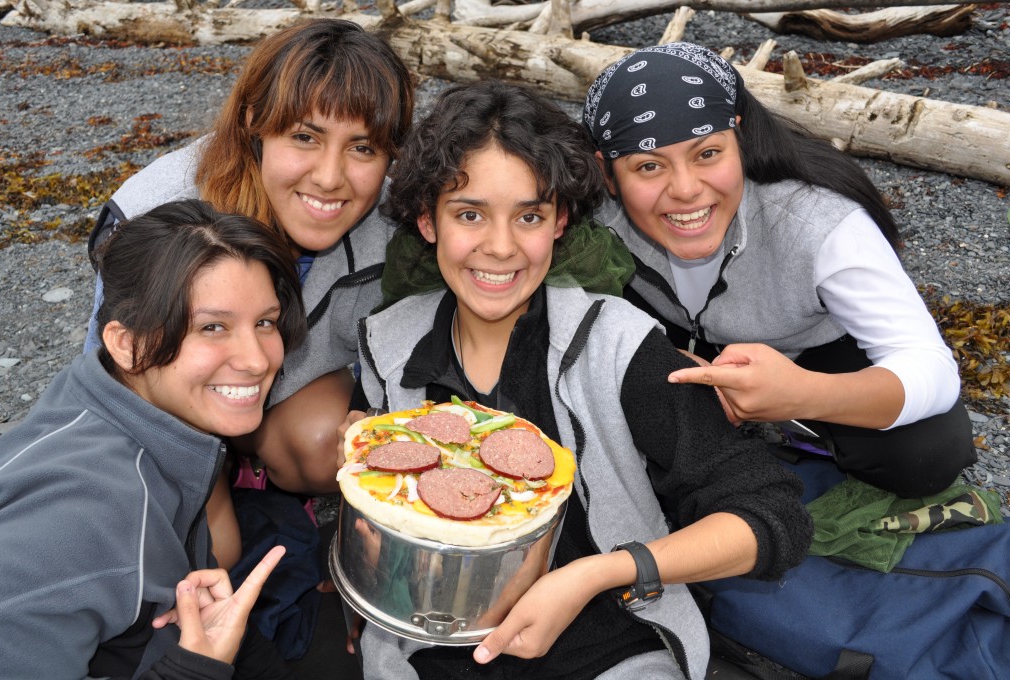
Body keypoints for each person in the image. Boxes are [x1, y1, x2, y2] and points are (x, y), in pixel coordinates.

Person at [348, 80, 812, 680]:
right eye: (469, 214)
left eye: (529, 216)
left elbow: (771, 518)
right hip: (427, 650)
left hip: (606, 652)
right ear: (426, 221)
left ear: (561, 220)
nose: (500, 247)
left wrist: (595, 573)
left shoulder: (618, 347)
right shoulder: (388, 343)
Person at [584, 42, 975, 499]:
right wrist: (655, 357)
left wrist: (799, 394)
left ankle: (789, 427)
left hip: (806, 350)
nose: (686, 190)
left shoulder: (821, 222)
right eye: (649, 166)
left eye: (708, 154)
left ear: (740, 139)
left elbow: (931, 367)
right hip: (672, 336)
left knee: (926, 451)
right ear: (607, 175)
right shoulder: (589, 215)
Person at [84, 18, 416, 497]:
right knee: (208, 535)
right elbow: (108, 384)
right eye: (305, 137)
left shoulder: (398, 227)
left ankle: (254, 470)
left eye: (362, 147)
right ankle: (210, 471)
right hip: (173, 411)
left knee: (327, 445)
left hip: (284, 397)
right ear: (254, 122)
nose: (329, 178)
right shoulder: (150, 214)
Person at [0, 199, 306, 679]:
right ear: (126, 344)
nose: (257, 360)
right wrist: (191, 670)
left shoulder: (102, 396)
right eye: (212, 327)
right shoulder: (88, 515)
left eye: (264, 322)